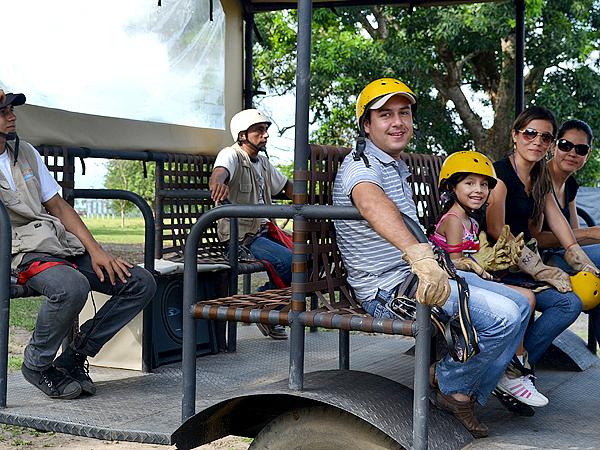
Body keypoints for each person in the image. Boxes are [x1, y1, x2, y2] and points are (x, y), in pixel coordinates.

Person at [333, 78, 531, 438]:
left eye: (404, 113)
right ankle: (453, 387)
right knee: (502, 318)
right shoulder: (361, 166)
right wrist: (419, 256)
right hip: (388, 288)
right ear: (366, 124)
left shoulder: (394, 164)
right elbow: (370, 201)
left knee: (520, 303)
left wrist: (448, 262)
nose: (397, 122)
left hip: (420, 273)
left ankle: (453, 386)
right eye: (385, 115)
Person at [0, 91, 156, 400]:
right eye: (3, 111)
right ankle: (37, 363)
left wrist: (97, 251)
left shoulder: (25, 152)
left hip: (53, 243)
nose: (12, 116)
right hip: (17, 251)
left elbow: (58, 206)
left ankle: (74, 356)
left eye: (11, 109)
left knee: (140, 283)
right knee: (72, 287)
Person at [430, 150, 547, 410]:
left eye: (484, 184)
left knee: (528, 297)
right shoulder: (453, 221)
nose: (478, 190)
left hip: (469, 280)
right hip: (454, 283)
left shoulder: (470, 221)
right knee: (523, 300)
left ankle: (511, 368)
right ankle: (510, 371)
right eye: (469, 183)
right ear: (452, 187)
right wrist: (478, 266)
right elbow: (455, 262)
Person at [486, 107, 600, 370]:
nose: (537, 141)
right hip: (498, 265)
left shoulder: (539, 177)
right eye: (530, 134)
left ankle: (516, 368)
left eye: (545, 137)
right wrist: (539, 268)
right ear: (515, 135)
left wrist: (579, 257)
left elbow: (562, 226)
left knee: (569, 303)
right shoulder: (499, 176)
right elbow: (495, 232)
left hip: (524, 264)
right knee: (559, 300)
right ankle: (508, 368)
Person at [209, 108, 293, 340]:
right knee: (290, 262)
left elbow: (286, 185)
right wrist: (219, 183)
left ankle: (264, 308)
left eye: (266, 130)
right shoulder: (232, 155)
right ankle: (262, 309)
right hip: (243, 237)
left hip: (265, 231)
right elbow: (219, 172)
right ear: (243, 135)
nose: (265, 135)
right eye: (259, 131)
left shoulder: (263, 162)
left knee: (309, 257)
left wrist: (312, 199)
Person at [533, 119, 600, 340]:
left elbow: (572, 236)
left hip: (562, 254)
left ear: (587, 155)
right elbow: (538, 238)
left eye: (580, 149)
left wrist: (592, 235)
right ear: (553, 146)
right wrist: (592, 232)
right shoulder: (540, 178)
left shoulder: (570, 185)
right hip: (539, 259)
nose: (572, 153)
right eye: (565, 145)